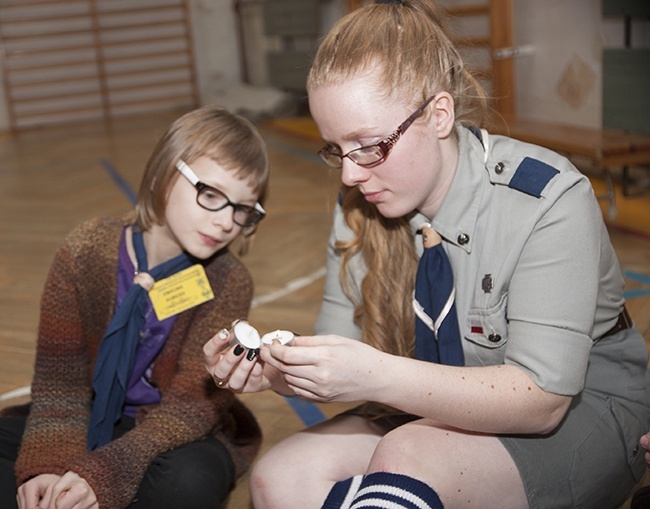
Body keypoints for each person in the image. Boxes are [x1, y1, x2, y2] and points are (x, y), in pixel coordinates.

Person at [204, 1, 650, 508]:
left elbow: (541, 401)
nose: (349, 173)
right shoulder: (361, 199)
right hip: (436, 406)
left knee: (409, 453)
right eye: (335, 149)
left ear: (439, 115)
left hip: (582, 408)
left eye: (368, 145)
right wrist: (277, 372)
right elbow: (341, 353)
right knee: (279, 477)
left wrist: (375, 374)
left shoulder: (548, 198)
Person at [0, 105, 269, 509]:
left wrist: (109, 472)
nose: (226, 221)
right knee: (35, 479)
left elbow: (192, 405)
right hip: (85, 412)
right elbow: (60, 385)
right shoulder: (85, 252)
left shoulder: (229, 280)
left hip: (168, 430)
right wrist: (48, 467)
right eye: (210, 194)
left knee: (190, 485)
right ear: (162, 176)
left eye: (242, 208)